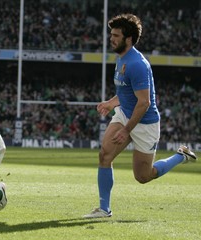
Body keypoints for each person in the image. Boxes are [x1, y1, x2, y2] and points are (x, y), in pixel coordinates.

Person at [83, 13, 197, 219]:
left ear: (128, 39)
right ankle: (103, 209)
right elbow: (127, 92)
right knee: (104, 155)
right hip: (125, 114)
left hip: (145, 123)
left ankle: (181, 156)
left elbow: (144, 103)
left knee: (144, 176)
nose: (112, 38)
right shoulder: (121, 59)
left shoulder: (137, 64)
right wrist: (111, 103)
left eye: (116, 35)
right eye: (112, 34)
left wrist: (127, 131)